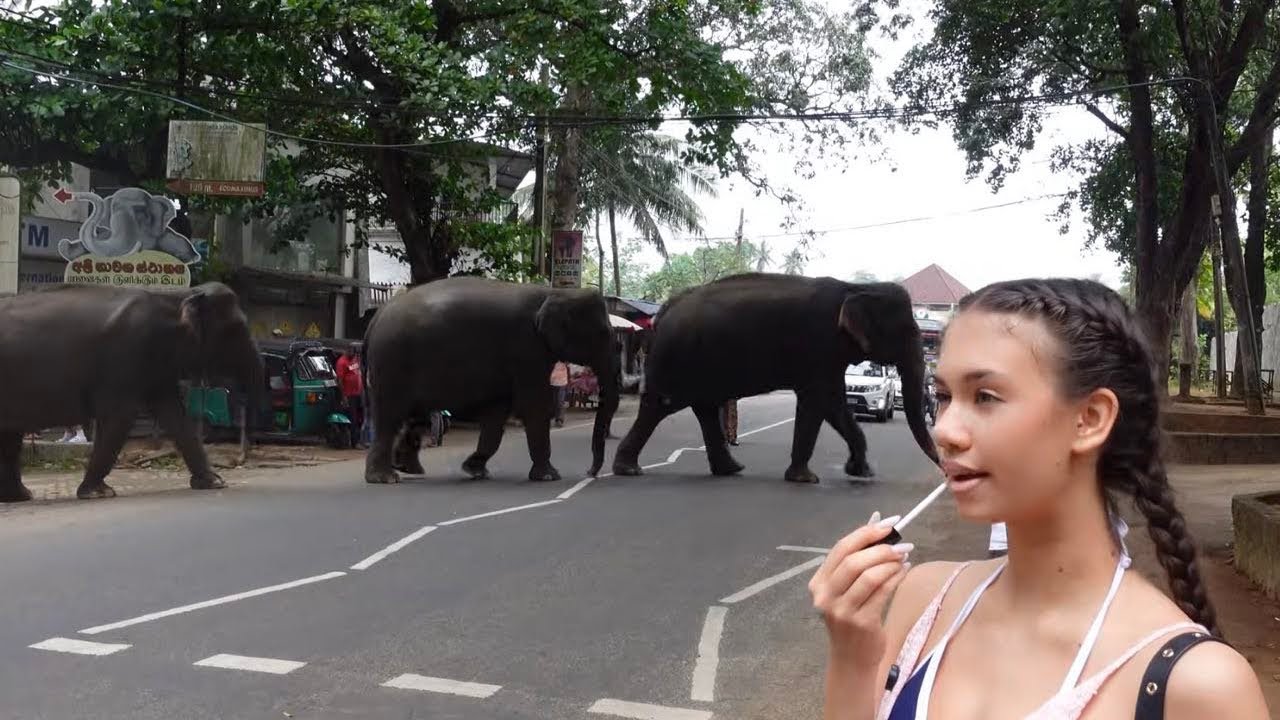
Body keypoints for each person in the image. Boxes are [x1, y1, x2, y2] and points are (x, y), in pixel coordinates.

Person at [809, 278, 1269, 720]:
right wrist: (852, 657)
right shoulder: (925, 599)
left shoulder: (1198, 685)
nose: (945, 430)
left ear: (1089, 419)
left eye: (985, 396)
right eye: (944, 396)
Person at [334, 345, 365, 448]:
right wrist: (344, 397)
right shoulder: (342, 362)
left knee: (360, 417)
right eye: (351, 351)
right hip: (349, 395)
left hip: (358, 394)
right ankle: (354, 442)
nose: (353, 353)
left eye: (354, 351)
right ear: (346, 351)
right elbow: (340, 381)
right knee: (353, 419)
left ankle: (360, 439)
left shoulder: (355, 359)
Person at [550, 361, 569, 427]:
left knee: (560, 401)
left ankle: (559, 420)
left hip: (562, 382)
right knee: (554, 402)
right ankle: (555, 418)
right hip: (551, 381)